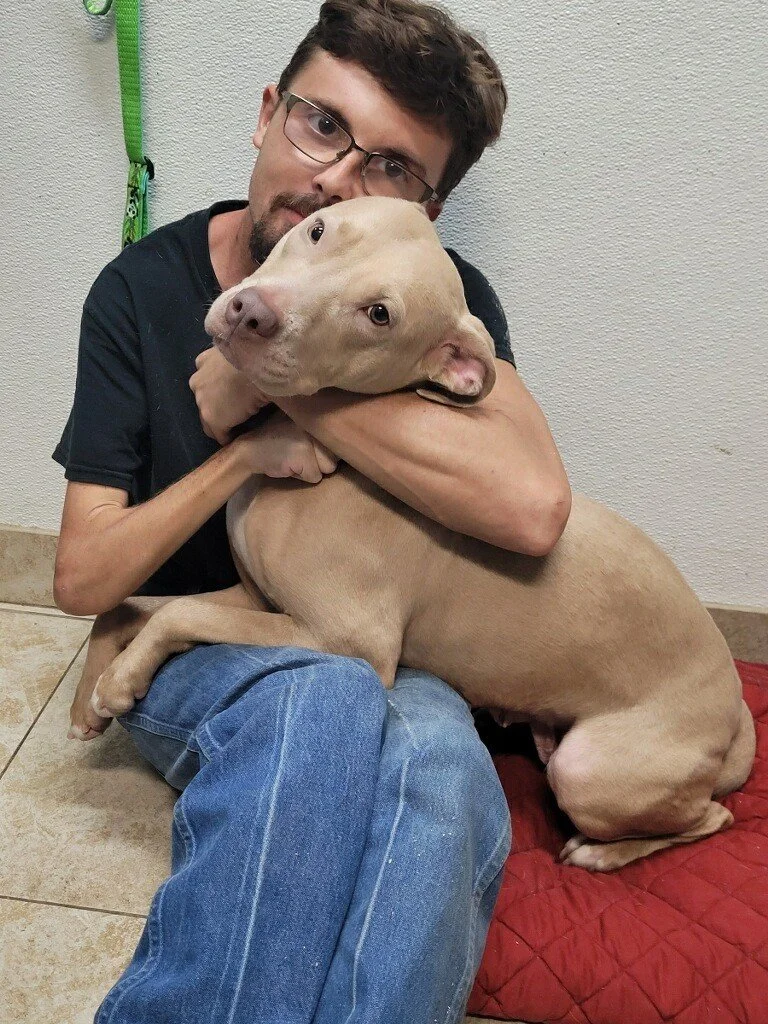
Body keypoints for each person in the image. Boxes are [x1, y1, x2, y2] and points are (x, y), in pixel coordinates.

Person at [53, 1, 571, 1021]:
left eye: (391, 168)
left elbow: (533, 508)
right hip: (199, 635)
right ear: (267, 115)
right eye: (322, 124)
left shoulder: (436, 303)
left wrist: (280, 388)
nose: (335, 179)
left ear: (428, 210)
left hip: (370, 631)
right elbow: (78, 578)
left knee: (440, 756)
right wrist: (242, 456)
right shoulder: (138, 290)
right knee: (323, 701)